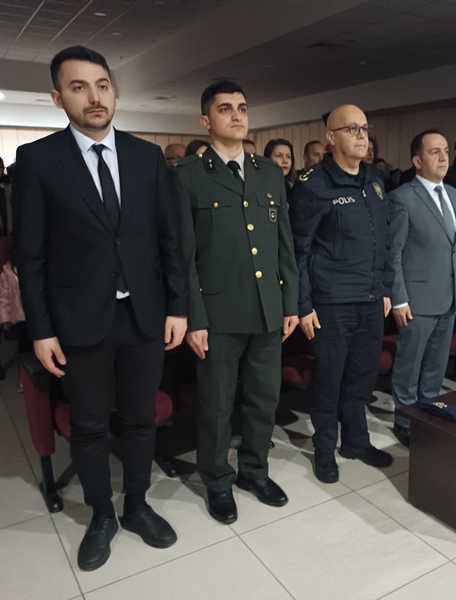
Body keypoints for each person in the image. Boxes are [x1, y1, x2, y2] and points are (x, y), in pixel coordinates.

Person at [14, 46, 188, 571]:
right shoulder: (38, 160)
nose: (94, 97)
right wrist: (41, 329)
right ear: (58, 98)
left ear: (114, 91)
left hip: (143, 315)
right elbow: (31, 255)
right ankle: (101, 514)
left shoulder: (145, 157)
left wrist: (178, 307)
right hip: (78, 318)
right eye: (79, 87)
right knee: (89, 424)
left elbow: (169, 239)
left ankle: (136, 504)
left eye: (103, 85)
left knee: (140, 418)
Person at [174, 81, 299, 525]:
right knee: (217, 405)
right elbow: (183, 256)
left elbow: (284, 243)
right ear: (206, 121)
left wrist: (290, 303)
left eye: (242, 108)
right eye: (225, 109)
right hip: (218, 313)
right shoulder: (188, 175)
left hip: (267, 309)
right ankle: (217, 480)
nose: (237, 116)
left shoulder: (268, 172)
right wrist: (194, 317)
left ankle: (254, 471)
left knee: (264, 400)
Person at [290, 104, 393, 484]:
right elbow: (298, 250)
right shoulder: (313, 184)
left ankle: (356, 442)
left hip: (371, 298)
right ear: (331, 137)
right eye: (352, 129)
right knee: (329, 380)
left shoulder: (374, 179)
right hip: (332, 301)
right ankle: (324, 449)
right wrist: (303, 304)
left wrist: (385, 288)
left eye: (365, 128)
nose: (362, 135)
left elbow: (383, 241)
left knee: (362, 378)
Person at [387, 129, 456, 446]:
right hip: (416, 298)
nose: (443, 157)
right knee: (410, 364)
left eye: (445, 150)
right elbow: (393, 254)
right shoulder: (402, 197)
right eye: (435, 152)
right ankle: (405, 419)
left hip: (448, 295)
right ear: (417, 161)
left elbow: (455, 248)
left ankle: (429, 411)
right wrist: (398, 298)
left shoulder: (455, 195)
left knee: (436, 364)